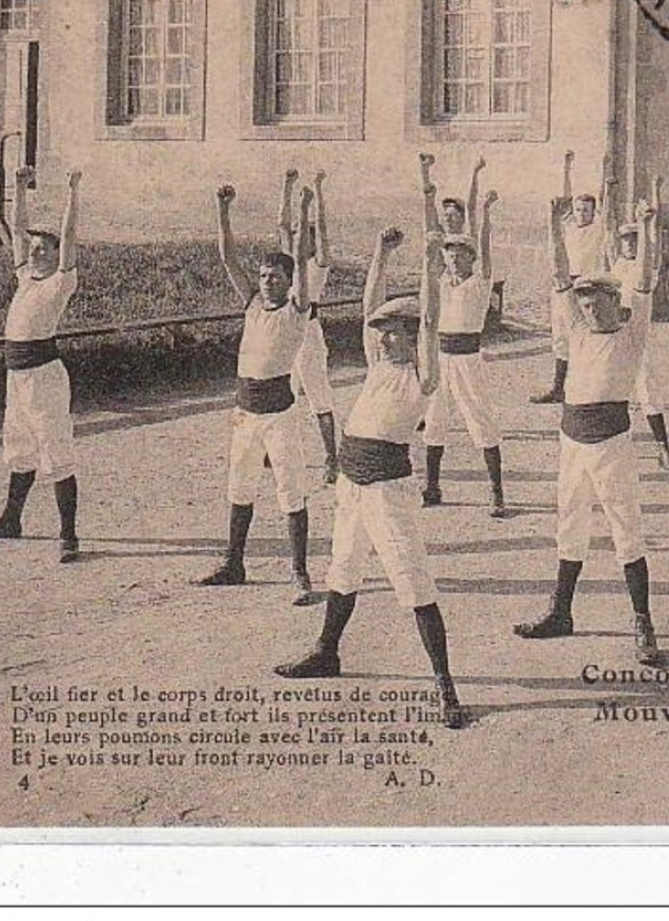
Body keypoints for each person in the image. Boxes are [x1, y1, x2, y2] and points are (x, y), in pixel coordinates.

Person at [273, 224, 468, 730]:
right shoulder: (379, 365)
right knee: (343, 568)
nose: (380, 337)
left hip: (387, 490)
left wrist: (426, 265)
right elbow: (367, 307)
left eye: (391, 331)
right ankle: (326, 652)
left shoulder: (422, 376)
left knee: (413, 583)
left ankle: (445, 686)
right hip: (352, 485)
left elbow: (429, 323)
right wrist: (380, 254)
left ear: (410, 336)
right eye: (380, 332)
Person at [513, 194, 664, 665]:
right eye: (583, 300)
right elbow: (560, 276)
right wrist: (555, 229)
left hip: (610, 442)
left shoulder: (632, 332)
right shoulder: (576, 331)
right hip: (571, 440)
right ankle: (561, 612)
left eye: (596, 299)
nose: (588, 308)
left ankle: (644, 624)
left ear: (612, 301)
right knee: (569, 525)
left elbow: (643, 280)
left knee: (625, 530)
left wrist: (646, 226)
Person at [196, 183, 316, 606]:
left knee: (290, 490)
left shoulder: (297, 311)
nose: (267, 283)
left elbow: (301, 258)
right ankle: (234, 563)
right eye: (264, 276)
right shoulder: (250, 303)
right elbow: (228, 257)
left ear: (288, 282)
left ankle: (300, 572)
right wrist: (222, 208)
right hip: (244, 412)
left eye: (275, 277)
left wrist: (304, 209)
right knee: (239, 487)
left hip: (279, 412)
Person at [0, 166, 84, 563]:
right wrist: (18, 187)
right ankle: (11, 520)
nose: (35, 251)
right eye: (34, 247)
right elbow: (17, 230)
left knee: (55, 449)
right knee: (19, 446)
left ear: (56, 257)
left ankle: (69, 536)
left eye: (43, 248)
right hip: (16, 377)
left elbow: (69, 237)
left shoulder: (60, 282)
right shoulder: (25, 279)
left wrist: (72, 191)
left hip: (44, 378)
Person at [420, 152, 512, 517]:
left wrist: (486, 212)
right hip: (441, 359)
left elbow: (485, 243)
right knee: (434, 422)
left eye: (461, 255)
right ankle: (432, 486)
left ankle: (496, 491)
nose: (454, 259)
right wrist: (426, 180)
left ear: (471, 259)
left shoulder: (479, 284)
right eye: (450, 254)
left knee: (481, 422)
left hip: (468, 360)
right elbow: (430, 240)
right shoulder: (440, 281)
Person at [608, 177, 669, 473]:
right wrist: (609, 188)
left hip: (637, 340)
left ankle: (664, 449)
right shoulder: (615, 263)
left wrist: (654, 199)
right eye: (626, 240)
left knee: (648, 394)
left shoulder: (647, 268)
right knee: (612, 393)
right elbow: (607, 226)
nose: (629, 244)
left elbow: (655, 237)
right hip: (613, 337)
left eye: (634, 240)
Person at [531, 151, 609, 405]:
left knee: (588, 333)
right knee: (561, 334)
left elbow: (605, 201)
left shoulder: (598, 228)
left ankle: (591, 386)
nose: (581, 214)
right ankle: (558, 388)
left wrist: (604, 172)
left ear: (593, 211)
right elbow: (562, 201)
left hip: (587, 286)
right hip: (563, 285)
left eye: (586, 210)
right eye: (578, 210)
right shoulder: (568, 226)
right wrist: (566, 166)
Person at [278, 168, 339, 485]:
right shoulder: (289, 261)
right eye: (299, 236)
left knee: (319, 397)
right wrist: (287, 186)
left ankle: (332, 457)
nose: (301, 240)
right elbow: (281, 225)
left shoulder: (319, 265)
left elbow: (324, 230)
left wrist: (317, 191)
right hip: (286, 332)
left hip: (310, 335)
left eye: (307, 236)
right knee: (281, 393)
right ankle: (277, 453)